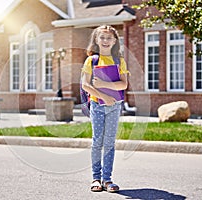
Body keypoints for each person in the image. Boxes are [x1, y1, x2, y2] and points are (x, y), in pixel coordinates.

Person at [81, 25, 130, 193]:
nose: (105, 41)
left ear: (115, 41)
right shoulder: (92, 60)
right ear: (96, 40)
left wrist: (104, 85)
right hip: (97, 106)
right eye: (102, 37)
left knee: (109, 143)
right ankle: (96, 178)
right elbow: (85, 85)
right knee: (97, 142)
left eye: (109, 38)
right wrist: (104, 96)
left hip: (115, 106)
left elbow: (123, 84)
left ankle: (107, 179)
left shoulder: (119, 61)